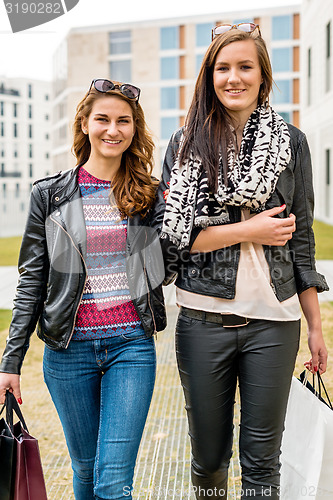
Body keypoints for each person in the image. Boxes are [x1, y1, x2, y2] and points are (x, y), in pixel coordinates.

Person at [152, 24, 329, 499]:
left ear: (262, 75)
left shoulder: (292, 143)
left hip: (275, 324)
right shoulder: (185, 145)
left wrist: (315, 327)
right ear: (209, 76)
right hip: (203, 323)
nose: (234, 77)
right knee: (209, 457)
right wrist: (250, 229)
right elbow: (177, 238)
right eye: (222, 68)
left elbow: (303, 240)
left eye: (245, 66)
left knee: (262, 458)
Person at [0, 78, 166, 500]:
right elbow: (31, 282)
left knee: (112, 482)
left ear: (134, 129)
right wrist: (10, 362)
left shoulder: (150, 196)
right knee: (86, 470)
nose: (113, 129)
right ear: (85, 125)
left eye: (124, 121)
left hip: (131, 346)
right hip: (67, 352)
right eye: (103, 119)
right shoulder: (49, 194)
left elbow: (174, 258)